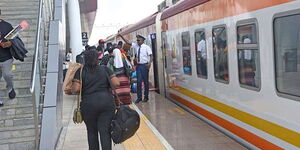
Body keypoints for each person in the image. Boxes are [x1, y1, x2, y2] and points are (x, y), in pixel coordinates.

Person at [71, 50, 120, 150]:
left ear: (85, 59)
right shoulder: (105, 69)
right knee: (105, 131)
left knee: (92, 132)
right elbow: (116, 83)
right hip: (106, 103)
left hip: (88, 105)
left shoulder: (80, 71)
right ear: (97, 58)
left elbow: (75, 89)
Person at [119, 34, 152, 103]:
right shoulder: (136, 46)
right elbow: (128, 42)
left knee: (146, 82)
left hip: (144, 66)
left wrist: (149, 63)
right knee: (139, 82)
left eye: (139, 40)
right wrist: (121, 36)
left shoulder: (147, 47)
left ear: (143, 40)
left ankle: (146, 97)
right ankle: (139, 97)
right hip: (139, 66)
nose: (137, 41)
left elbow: (151, 56)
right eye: (137, 40)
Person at [0, 19, 16, 107]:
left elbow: (14, 39)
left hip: (6, 57)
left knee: (7, 75)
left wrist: (9, 43)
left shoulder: (7, 25)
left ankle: (10, 88)